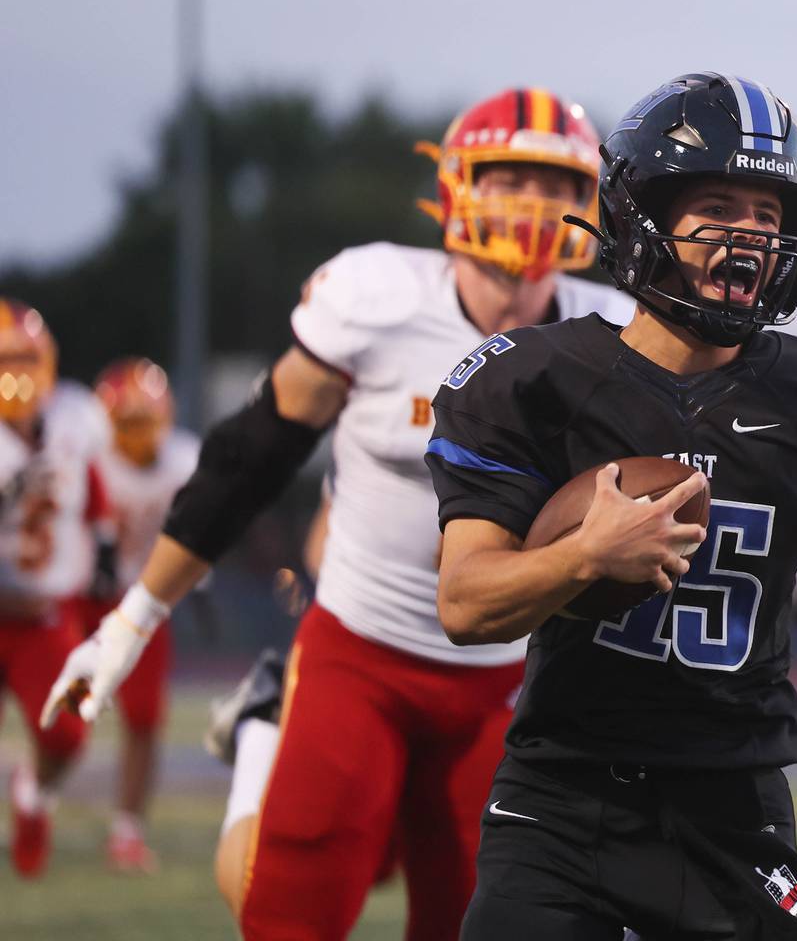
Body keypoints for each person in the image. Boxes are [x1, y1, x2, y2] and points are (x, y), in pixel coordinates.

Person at [43, 87, 634, 939]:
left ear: (591, 206)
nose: (534, 207)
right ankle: (262, 739)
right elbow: (251, 456)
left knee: (475, 922)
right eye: (511, 179)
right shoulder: (378, 296)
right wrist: (131, 621)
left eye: (555, 186)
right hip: (362, 651)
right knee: (284, 903)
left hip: (512, 678)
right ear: (458, 185)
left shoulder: (608, 338)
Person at [428, 72, 797, 940]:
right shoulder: (537, 382)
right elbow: (466, 603)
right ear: (642, 217)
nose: (747, 237)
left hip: (734, 809)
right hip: (562, 804)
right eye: (719, 206)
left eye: (768, 216)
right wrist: (582, 557)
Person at [57, 357, 200, 873]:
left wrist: (197, 585)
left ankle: (127, 831)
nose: (138, 436)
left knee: (143, 717)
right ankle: (40, 793)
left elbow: (197, 530)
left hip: (144, 596)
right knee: (67, 707)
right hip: (84, 594)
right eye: (128, 424)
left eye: (147, 422)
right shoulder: (88, 457)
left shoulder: (184, 460)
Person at [0, 299, 107, 877]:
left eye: (25, 358)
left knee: (67, 735)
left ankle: (33, 795)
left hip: (42, 607)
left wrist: (105, 548)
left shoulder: (75, 417)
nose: (15, 373)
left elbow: (93, 494)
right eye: (4, 359)